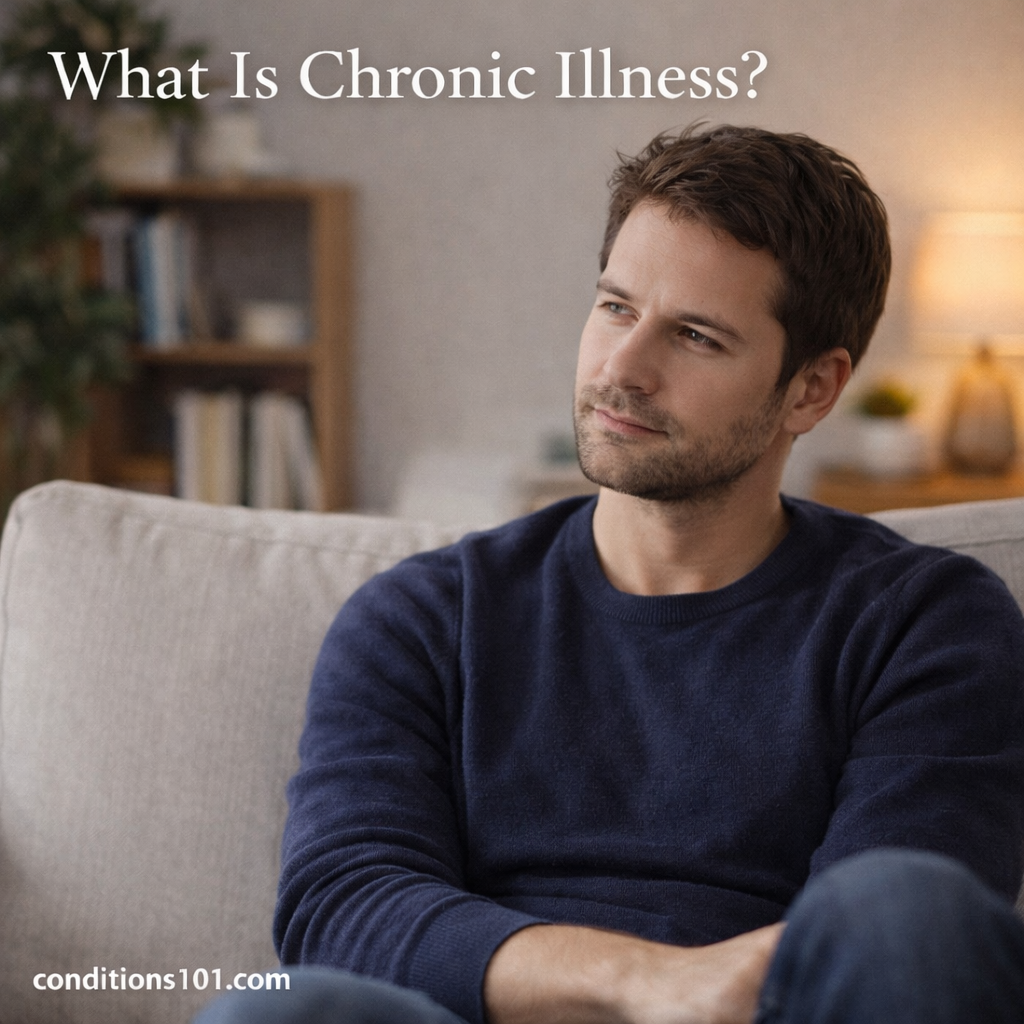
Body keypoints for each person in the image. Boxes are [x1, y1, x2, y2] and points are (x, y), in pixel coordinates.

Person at [195, 124, 1024, 1024]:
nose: (623, 370)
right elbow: (341, 906)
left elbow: (897, 948)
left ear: (812, 390)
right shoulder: (423, 617)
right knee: (280, 1013)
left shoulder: (925, 622)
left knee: (906, 909)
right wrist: (643, 980)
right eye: (616, 308)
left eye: (697, 337)